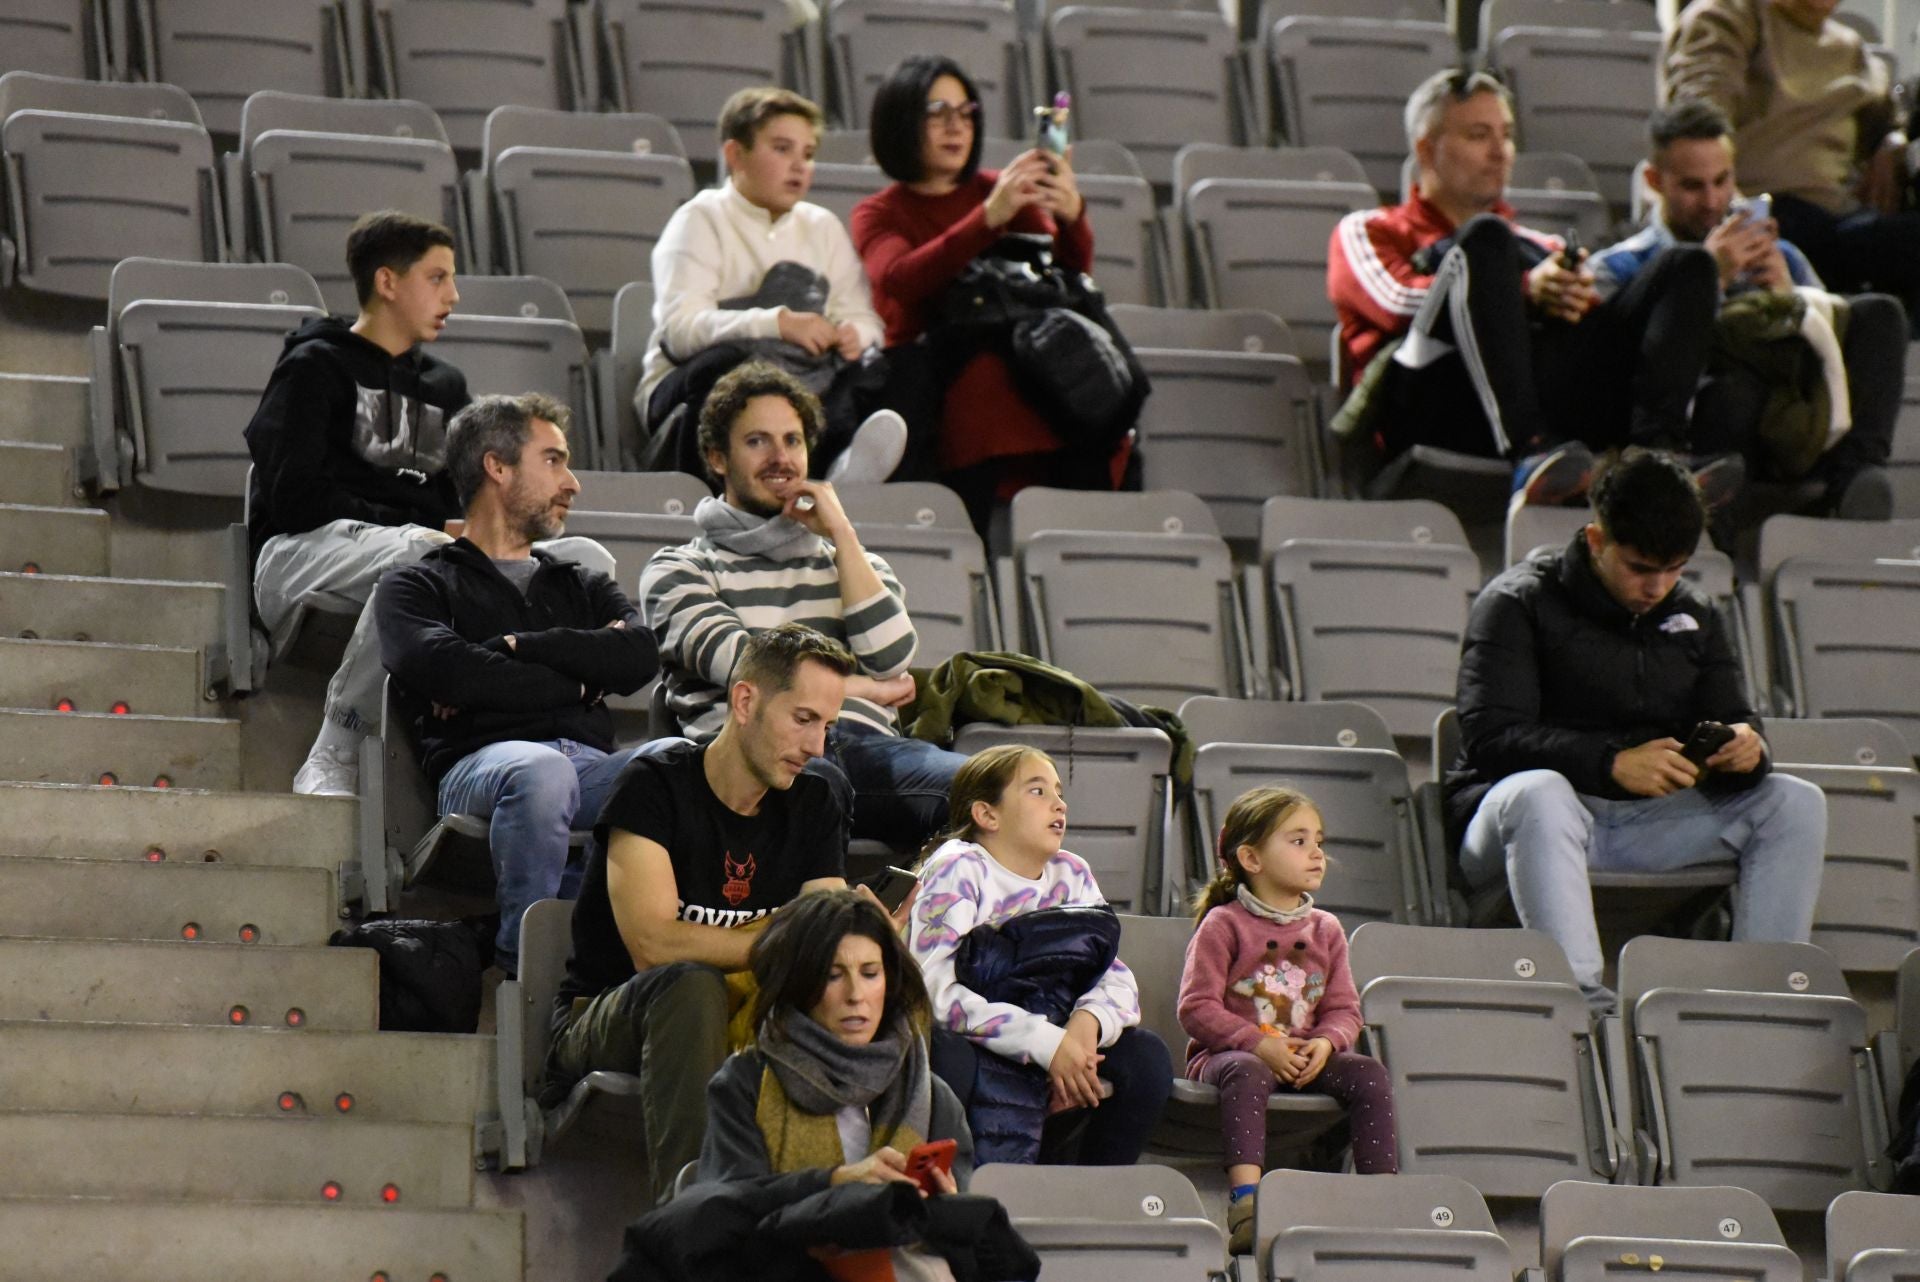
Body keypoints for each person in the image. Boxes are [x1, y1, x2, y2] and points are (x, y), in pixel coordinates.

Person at [246, 209, 611, 797]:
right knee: (423, 551)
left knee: (582, 558)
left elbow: (474, 498)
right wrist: (426, 525)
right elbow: (295, 499)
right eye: (437, 278)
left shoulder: (445, 387)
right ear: (387, 282)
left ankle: (537, 727)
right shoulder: (314, 366)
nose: (454, 294)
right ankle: (334, 749)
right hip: (295, 556)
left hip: (421, 546)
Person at [1447, 448, 1827, 1012]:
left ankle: (1762, 999)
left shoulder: (1694, 613)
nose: (1658, 586)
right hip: (1517, 824)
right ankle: (1583, 1006)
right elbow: (1489, 738)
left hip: (1643, 821)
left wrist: (1748, 746)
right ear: (1597, 540)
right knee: (1541, 792)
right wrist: (1609, 762)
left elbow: (1733, 713)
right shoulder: (1515, 601)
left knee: (1795, 802)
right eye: (1641, 568)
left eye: (1674, 569)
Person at [547, 623, 862, 1199]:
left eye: (828, 726)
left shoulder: (815, 798)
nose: (817, 745)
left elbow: (824, 936)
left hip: (744, 1009)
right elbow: (655, 947)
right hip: (607, 1011)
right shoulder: (654, 786)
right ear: (745, 701)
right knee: (690, 985)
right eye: (803, 719)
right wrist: (791, 932)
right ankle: (692, 1215)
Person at [1328, 69, 1731, 511]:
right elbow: (1394, 304)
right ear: (1427, 150)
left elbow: (1599, 337)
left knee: (1688, 264)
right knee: (1486, 239)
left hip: (1539, 399)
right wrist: (1523, 291)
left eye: (1506, 135)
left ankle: (1659, 457)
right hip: (1433, 403)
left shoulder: (1544, 246)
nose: (1500, 152)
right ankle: (1527, 445)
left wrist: (1574, 299)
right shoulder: (1370, 229)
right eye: (1479, 135)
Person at [372, 392, 653, 972]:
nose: (572, 482)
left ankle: (637, 953)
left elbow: (638, 656)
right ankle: (525, 967)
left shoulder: (582, 583)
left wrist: (519, 648)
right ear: (496, 467)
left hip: (590, 767)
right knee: (540, 769)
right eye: (553, 460)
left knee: (677, 762)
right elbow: (446, 668)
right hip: (480, 767)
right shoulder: (416, 585)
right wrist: (577, 685)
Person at [640, 361, 965, 848]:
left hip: (870, 750)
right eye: (758, 441)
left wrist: (842, 533)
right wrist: (862, 688)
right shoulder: (678, 569)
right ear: (717, 457)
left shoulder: (852, 561)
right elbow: (749, 667)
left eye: (793, 441)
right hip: (757, 756)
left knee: (991, 790)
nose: (781, 457)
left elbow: (892, 657)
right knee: (817, 783)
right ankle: (826, 922)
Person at [1593, 99, 1905, 519]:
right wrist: (1711, 281)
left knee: (1880, 312)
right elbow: (1620, 374)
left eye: (1722, 181)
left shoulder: (1782, 256)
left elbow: (1828, 355)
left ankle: (1856, 478)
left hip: (1794, 417)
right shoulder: (1622, 266)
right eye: (1692, 186)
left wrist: (1788, 296)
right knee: (1735, 391)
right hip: (1706, 426)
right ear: (1654, 180)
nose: (1712, 201)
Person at [851, 55, 1124, 531]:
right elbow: (901, 279)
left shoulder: (1000, 191)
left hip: (1026, 361)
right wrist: (987, 219)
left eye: (966, 112)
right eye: (937, 112)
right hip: (930, 370)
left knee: (1080, 383)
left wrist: (1072, 215)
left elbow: (1064, 279)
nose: (955, 126)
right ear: (901, 119)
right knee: (986, 389)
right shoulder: (879, 212)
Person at [908, 744, 1171, 1166]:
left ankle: (1092, 1195)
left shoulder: (1072, 872)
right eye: (1037, 791)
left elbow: (1113, 975)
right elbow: (932, 989)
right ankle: (954, 1194)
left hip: (1061, 1029)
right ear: (987, 815)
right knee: (945, 1059)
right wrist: (1046, 1044)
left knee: (1147, 1059)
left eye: (1059, 791)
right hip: (979, 1036)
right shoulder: (957, 867)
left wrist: (1084, 1030)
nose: (1059, 803)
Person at [697, 888, 972, 1280]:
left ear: (889, 982)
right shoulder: (745, 1083)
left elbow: (966, 1249)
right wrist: (833, 1187)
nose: (856, 996)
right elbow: (725, 1214)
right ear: (801, 983)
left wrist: (948, 1217)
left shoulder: (934, 1096)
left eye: (870, 973)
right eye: (833, 975)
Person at [638, 86, 907, 485]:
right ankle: (721, 502)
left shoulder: (822, 226)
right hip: (690, 387)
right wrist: (777, 324)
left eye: (808, 154)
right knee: (725, 365)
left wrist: (856, 334)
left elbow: (863, 316)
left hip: (801, 387)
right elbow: (679, 333)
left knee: (892, 367)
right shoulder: (699, 219)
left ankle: (839, 477)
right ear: (735, 155)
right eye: (782, 149)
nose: (799, 166)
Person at [1178, 786, 1398, 1254]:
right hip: (1230, 1058)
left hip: (1304, 1058)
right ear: (1251, 858)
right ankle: (1246, 1204)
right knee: (1248, 1071)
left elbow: (1343, 1009)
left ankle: (1382, 1199)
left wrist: (1325, 1043)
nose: (1317, 852)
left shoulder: (1327, 929)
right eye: (1298, 841)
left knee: (1369, 1073)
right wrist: (1257, 1043)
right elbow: (1197, 1008)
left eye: (1319, 840)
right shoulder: (1223, 924)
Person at [1664, 0, 1920, 326]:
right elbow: (1699, 122)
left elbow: (1887, 122)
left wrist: (1891, 145)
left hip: (1839, 218)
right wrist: (1734, 209)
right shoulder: (1727, 16)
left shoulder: (1850, 46)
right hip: (1761, 210)